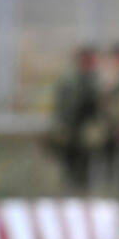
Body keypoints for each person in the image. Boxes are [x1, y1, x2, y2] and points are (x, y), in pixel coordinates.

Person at [46, 45, 101, 191]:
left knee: (83, 171)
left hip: (83, 133)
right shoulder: (72, 79)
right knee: (72, 170)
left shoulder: (90, 78)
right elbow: (68, 106)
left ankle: (79, 195)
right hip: (72, 132)